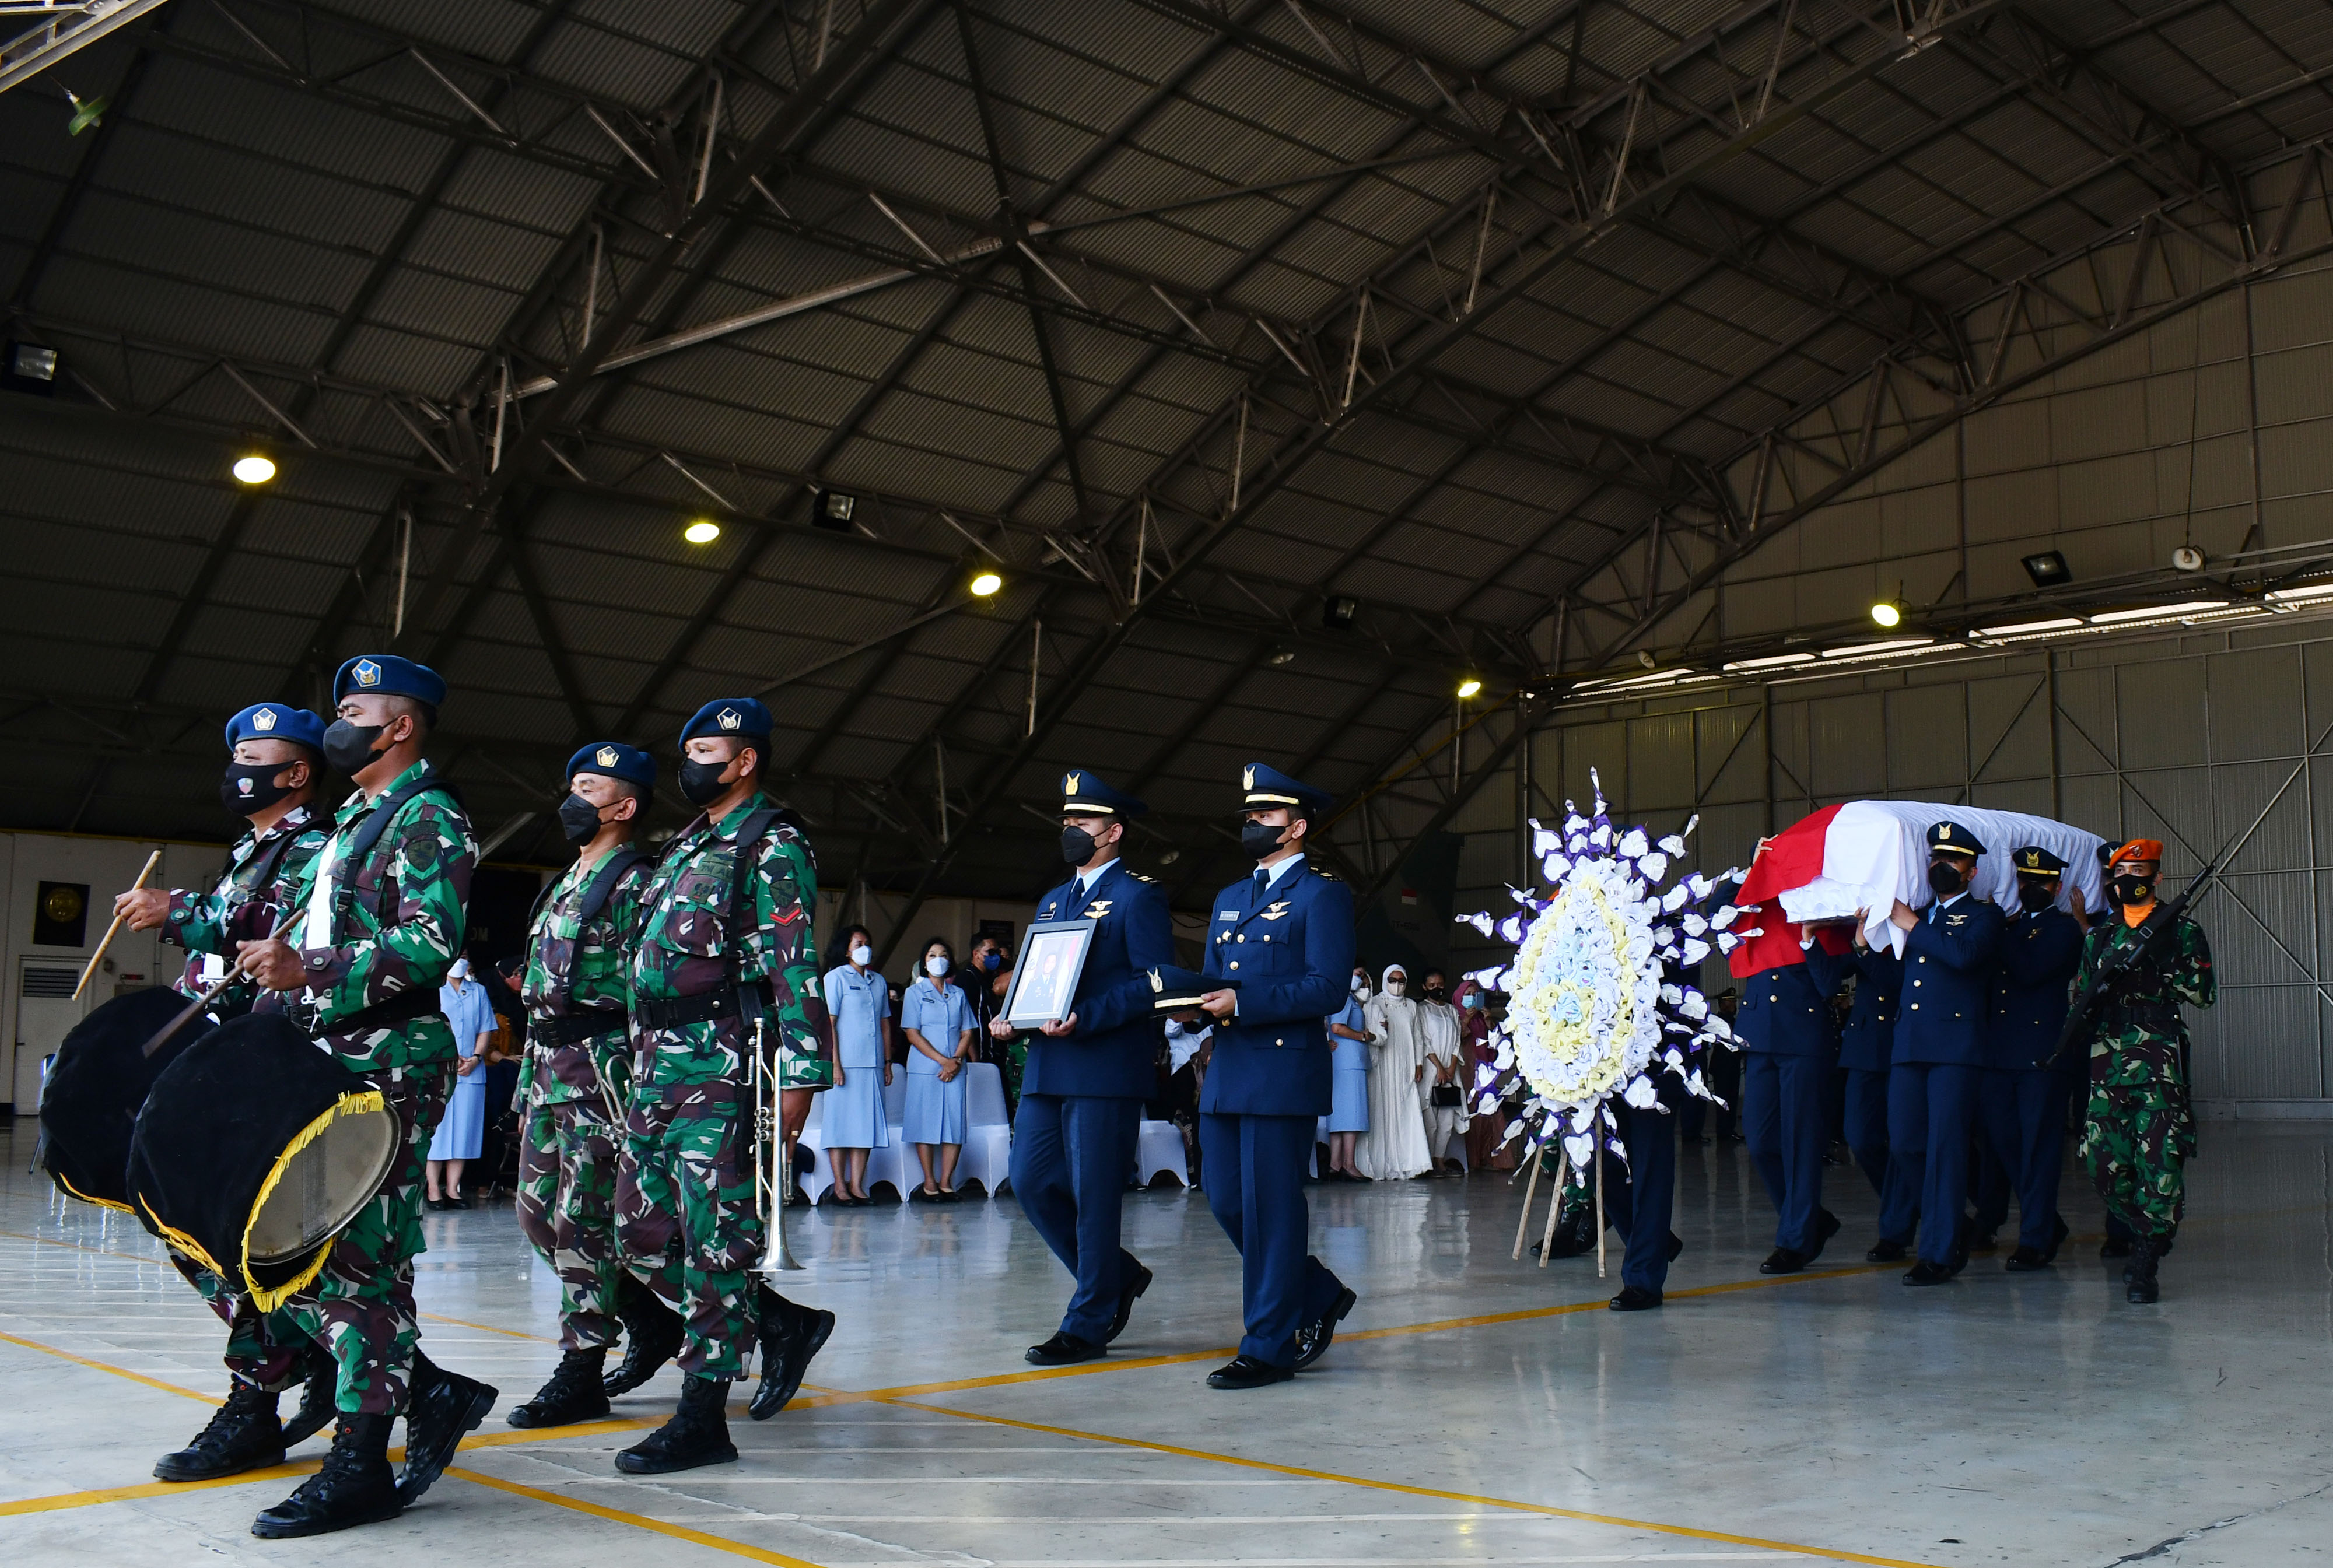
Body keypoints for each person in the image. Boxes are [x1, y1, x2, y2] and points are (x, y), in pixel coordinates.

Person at [233, 655, 495, 1536]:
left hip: (390, 1058)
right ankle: (425, 1395)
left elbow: (428, 943)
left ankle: (361, 1463)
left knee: (361, 1257)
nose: (337, 725)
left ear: (400, 726)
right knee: (311, 1248)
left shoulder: (428, 814)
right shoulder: (354, 820)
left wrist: (311, 966)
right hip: (332, 1057)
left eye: (353, 711)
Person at [113, 701, 337, 1485]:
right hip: (225, 1064)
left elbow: (276, 930)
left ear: (297, 772)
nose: (239, 769)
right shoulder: (253, 850)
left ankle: (256, 1401)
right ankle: (299, 1356)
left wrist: (179, 911)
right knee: (195, 1231)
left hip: (268, 1070)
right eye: (236, 755)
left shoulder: (317, 847)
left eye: (255, 756)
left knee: (244, 1237)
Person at [615, 697, 836, 1472]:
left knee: (716, 1239)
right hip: (658, 1063)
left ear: (744, 761)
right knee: (636, 1229)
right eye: (689, 752)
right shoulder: (686, 843)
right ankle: (776, 1322)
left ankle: (703, 1414)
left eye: (706, 751)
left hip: (726, 1064)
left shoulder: (771, 842)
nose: (692, 764)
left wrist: (800, 1076)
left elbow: (793, 963)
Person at [506, 742, 665, 1430]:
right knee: (536, 1216)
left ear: (623, 807)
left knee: (584, 1222)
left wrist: (646, 1093)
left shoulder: (637, 885)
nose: (572, 800)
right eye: (571, 786)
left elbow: (649, 997)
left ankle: (581, 1368)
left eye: (589, 789)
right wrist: (524, 1090)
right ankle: (652, 1320)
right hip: (549, 1072)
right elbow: (540, 1002)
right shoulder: (564, 882)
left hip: (603, 1075)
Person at [1186, 763, 1358, 1390]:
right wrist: (1188, 1003)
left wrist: (1245, 1002)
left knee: (1272, 1208)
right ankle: (1315, 1291)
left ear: (1298, 826)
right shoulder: (1230, 897)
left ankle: (1269, 1345)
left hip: (1282, 1070)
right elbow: (1215, 976)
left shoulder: (1321, 894)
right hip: (1230, 1067)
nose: (1254, 824)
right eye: (1250, 816)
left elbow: (1328, 987)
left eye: (1266, 815)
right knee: (1227, 1199)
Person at [994, 770, 1174, 1366]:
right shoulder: (1053, 898)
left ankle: (1090, 1319)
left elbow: (1153, 983)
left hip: (1102, 1063)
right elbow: (1040, 978)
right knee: (1029, 1179)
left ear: (1113, 831)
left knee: (1094, 1195)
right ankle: (1115, 1275)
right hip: (1049, 1061)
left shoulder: (1138, 895)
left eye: (1083, 820)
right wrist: (1013, 1016)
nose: (1071, 828)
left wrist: (1087, 1015)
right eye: (1067, 820)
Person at [2072, 837, 2215, 1304]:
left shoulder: (2182, 931)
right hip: (2107, 1060)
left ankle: (2147, 1257)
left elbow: (2203, 993)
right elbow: (2081, 997)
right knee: (2101, 1163)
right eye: (2120, 874)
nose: (2129, 880)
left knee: (2161, 1158)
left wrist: (2160, 956)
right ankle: (2150, 1226)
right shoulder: (2099, 937)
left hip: (2158, 1059)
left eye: (2139, 872)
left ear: (2157, 877)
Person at [1883, 819, 2003, 1287]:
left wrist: (1913, 925)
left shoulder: (1984, 916)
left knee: (1946, 1149)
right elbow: (1899, 978)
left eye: (1953, 860)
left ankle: (1940, 1251)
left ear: (1972, 871)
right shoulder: (1916, 914)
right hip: (1911, 1042)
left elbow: (1965, 957)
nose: (1942, 866)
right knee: (1905, 1142)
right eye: (1936, 858)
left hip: (1955, 1046)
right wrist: (1864, 943)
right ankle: (1956, 1226)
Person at [1980, 846, 2086, 1270]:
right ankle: (2048, 1223)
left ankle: (2035, 1239)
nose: (2031, 888)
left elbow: (2028, 970)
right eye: (2025, 880)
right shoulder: (2010, 926)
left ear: (2056, 888)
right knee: (2003, 1142)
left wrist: (1996, 928)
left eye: (2040, 882)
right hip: (2000, 1053)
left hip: (2042, 1055)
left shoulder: (2064, 929)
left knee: (2038, 1148)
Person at [1733, 932, 1840, 1276]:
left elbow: (1830, 983)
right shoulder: (1757, 909)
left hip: (1802, 1031)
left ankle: (1796, 1240)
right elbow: (1720, 913)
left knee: (1800, 1143)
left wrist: (1810, 938)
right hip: (1760, 1030)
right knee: (1760, 1140)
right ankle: (1812, 1220)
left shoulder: (1820, 912)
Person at [1805, 927, 1913, 1261]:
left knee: (1905, 1143)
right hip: (1866, 1045)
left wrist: (1865, 949)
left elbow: (1897, 980)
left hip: (1905, 1040)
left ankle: (1896, 1228)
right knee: (1860, 1137)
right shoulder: (1866, 931)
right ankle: (1913, 1206)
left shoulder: (1918, 924)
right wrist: (1809, 940)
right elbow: (1833, 975)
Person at [820, 923, 893, 1203]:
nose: (865, 949)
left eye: (867, 943)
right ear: (846, 950)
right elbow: (830, 1023)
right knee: (840, 1126)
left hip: (872, 1063)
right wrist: (835, 1064)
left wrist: (887, 1062)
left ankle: (857, 1185)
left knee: (865, 1126)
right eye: (858, 944)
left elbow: (885, 1023)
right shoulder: (836, 978)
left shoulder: (878, 981)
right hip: (846, 1064)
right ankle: (840, 1185)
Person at [902, 936, 977, 1199]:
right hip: (926, 1068)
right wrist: (943, 1061)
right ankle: (929, 1182)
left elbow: (967, 1032)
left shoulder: (958, 994)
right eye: (932, 955)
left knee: (954, 1125)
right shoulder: (914, 993)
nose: (938, 960)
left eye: (943, 955)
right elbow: (912, 1033)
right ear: (924, 963)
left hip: (955, 1068)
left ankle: (946, 1182)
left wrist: (954, 1060)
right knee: (925, 1124)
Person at [426, 957, 495, 1208]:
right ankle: (433, 1188)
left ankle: (453, 1189)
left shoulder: (478, 991)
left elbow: (486, 1028)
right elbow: (429, 1027)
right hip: (439, 1067)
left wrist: (476, 1058)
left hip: (471, 1071)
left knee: (464, 1131)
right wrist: (448, 1055)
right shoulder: (432, 989)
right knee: (438, 1131)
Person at [1358, 964, 1432, 1180]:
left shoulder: (1412, 1006)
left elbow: (1418, 1037)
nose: (1397, 985)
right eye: (1392, 980)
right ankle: (1381, 1164)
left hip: (1405, 1065)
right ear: (1384, 980)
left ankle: (1409, 1162)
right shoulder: (1374, 1003)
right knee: (1382, 1110)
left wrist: (1419, 1064)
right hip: (1382, 1065)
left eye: (1401, 981)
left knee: (1406, 1111)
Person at [1416, 968, 1467, 1173]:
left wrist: (1451, 1068)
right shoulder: (1422, 1010)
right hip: (1431, 1070)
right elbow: (1424, 1041)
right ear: (1424, 987)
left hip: (1450, 1071)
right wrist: (1439, 1068)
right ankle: (1427, 1161)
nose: (1437, 988)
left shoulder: (1452, 1011)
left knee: (1446, 1121)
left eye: (1440, 985)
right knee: (1430, 1121)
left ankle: (1440, 1160)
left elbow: (1457, 1041)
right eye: (1432, 985)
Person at [1323, 970, 1372, 1179]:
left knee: (1340, 1114)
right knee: (1353, 1113)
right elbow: (1337, 1027)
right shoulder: (1344, 998)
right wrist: (1361, 1036)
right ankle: (1349, 1164)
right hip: (1350, 1061)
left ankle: (1335, 1165)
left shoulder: (1344, 997)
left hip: (1341, 1061)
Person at [1457, 979, 1507, 1170]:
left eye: (1474, 995)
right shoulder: (1454, 1015)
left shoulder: (1482, 1018)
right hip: (1467, 1070)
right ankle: (1472, 1160)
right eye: (1467, 995)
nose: (1471, 998)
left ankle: (1492, 1159)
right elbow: (1454, 1040)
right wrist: (1466, 1020)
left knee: (1491, 1111)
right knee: (1471, 1112)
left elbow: (1496, 1044)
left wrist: (1488, 1021)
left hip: (1485, 1070)